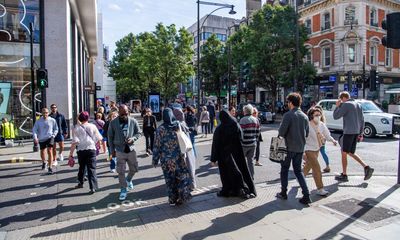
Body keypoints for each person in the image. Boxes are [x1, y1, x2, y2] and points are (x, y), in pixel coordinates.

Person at [211, 110, 256, 198]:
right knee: (241, 170)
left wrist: (213, 159)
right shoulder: (235, 124)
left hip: (224, 155)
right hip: (237, 153)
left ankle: (228, 190)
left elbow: (215, 144)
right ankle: (241, 189)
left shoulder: (220, 129)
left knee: (226, 174)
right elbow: (241, 136)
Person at [153, 108, 193, 206]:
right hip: (179, 158)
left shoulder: (160, 129)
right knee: (181, 178)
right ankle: (182, 197)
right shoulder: (177, 125)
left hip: (166, 160)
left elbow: (157, 145)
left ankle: (173, 199)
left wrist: (155, 160)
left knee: (170, 180)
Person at [277, 93, 311, 205]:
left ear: (291, 103)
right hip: (300, 148)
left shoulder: (288, 115)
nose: (287, 104)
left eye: (288, 102)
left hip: (288, 147)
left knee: (284, 169)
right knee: (298, 171)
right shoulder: (305, 116)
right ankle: (306, 194)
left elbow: (281, 132)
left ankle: (283, 192)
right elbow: (307, 133)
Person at [333, 91, 374, 182]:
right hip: (356, 132)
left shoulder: (346, 104)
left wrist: (337, 106)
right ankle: (366, 167)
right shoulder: (358, 104)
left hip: (348, 132)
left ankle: (344, 175)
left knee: (344, 152)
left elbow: (336, 116)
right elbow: (362, 119)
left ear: (343, 98)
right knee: (350, 152)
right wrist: (361, 133)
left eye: (340, 100)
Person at [108, 105, 142, 201]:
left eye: (126, 113)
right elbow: (110, 137)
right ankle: (123, 189)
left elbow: (139, 133)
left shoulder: (133, 121)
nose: (125, 115)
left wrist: (133, 138)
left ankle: (128, 180)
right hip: (119, 150)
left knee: (134, 169)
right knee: (121, 171)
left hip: (131, 149)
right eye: (122, 114)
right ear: (119, 113)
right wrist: (112, 151)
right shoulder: (113, 123)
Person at [303, 107, 337, 196]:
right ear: (311, 116)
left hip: (317, 148)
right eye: (316, 115)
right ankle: (320, 188)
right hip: (308, 149)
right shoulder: (307, 124)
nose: (318, 116)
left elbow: (327, 134)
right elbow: (302, 137)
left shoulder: (321, 125)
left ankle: (301, 178)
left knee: (308, 166)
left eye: (319, 115)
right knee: (317, 168)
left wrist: (333, 140)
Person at [68, 111, 103, 194]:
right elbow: (99, 138)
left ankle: (80, 182)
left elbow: (74, 142)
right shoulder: (92, 126)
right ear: (88, 118)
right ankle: (93, 187)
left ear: (80, 118)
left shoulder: (76, 128)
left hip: (81, 150)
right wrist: (98, 146)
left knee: (82, 167)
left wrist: (71, 154)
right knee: (92, 168)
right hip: (91, 149)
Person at [174, 108, 196, 189]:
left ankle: (188, 184)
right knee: (191, 165)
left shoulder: (176, 124)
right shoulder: (183, 123)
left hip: (182, 149)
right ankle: (192, 183)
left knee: (185, 167)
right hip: (188, 148)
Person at [32, 108, 58, 174]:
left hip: (50, 137)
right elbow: (34, 130)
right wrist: (35, 138)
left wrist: (53, 135)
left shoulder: (52, 120)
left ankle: (50, 167)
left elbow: (56, 129)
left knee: (49, 150)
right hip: (42, 138)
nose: (45, 114)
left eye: (46, 113)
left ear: (48, 113)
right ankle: (44, 161)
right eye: (43, 113)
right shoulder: (38, 121)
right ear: (41, 113)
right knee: (42, 152)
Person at [239, 104, 260, 179]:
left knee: (241, 161)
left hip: (244, 144)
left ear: (245, 111)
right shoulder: (256, 120)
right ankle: (251, 177)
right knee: (250, 162)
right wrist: (254, 139)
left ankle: (243, 177)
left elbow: (241, 133)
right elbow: (258, 133)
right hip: (253, 143)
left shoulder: (243, 120)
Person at [314, 105, 332, 172]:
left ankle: (310, 164)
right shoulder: (323, 118)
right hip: (322, 139)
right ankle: (327, 166)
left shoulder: (315, 119)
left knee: (313, 153)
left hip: (317, 139)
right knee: (322, 152)